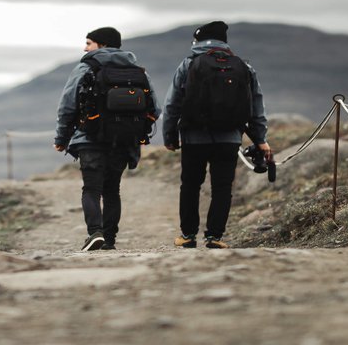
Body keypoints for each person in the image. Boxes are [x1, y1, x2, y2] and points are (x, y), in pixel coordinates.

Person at [161, 20, 270, 249]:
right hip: (229, 138)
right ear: (224, 42)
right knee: (222, 187)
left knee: (190, 185)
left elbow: (172, 104)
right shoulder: (243, 66)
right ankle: (215, 236)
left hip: (194, 137)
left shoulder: (189, 64)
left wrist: (170, 137)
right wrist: (260, 140)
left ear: (198, 40)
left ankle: (188, 235)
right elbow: (256, 106)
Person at [55, 26, 155, 251]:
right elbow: (154, 108)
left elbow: (67, 106)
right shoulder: (138, 71)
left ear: (101, 45)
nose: (85, 48)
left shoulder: (85, 68)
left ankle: (95, 233)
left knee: (91, 189)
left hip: (90, 139)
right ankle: (109, 239)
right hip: (124, 141)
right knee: (112, 190)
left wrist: (62, 138)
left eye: (89, 43)